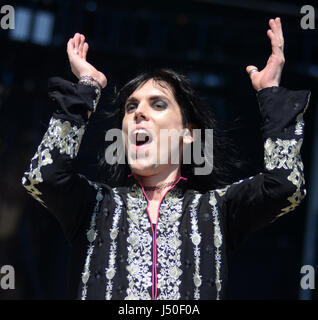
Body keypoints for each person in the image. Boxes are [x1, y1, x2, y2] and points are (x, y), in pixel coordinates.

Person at [21, 17, 310, 300]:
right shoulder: (94, 205)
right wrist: (87, 86)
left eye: (157, 104)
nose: (138, 113)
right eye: (131, 106)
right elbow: (42, 177)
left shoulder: (218, 209)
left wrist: (270, 93)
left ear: (188, 135)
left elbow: (286, 188)